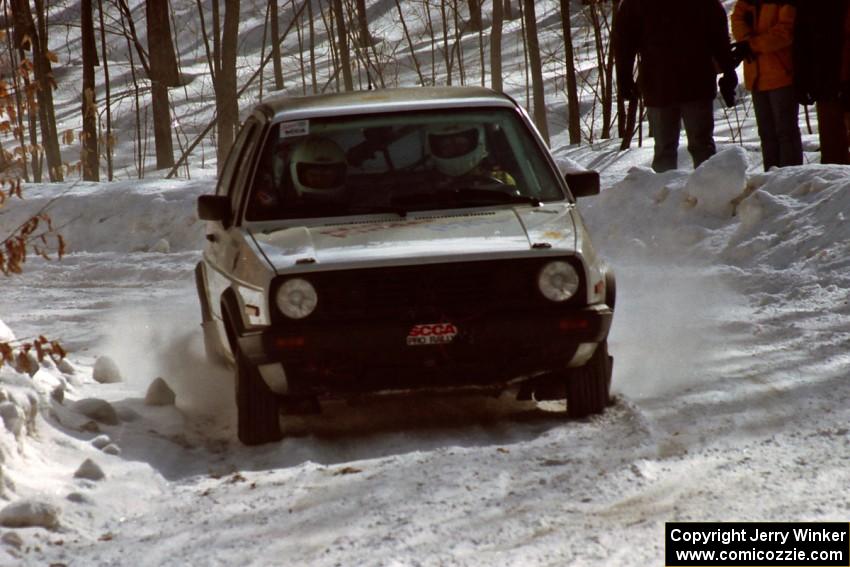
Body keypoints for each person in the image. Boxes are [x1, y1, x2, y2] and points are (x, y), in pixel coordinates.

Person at [614, 0, 738, 172]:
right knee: (686, 147)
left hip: (679, 83)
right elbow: (624, 40)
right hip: (673, 83)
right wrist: (624, 77)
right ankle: (686, 194)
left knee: (686, 148)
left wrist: (728, 70)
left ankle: (704, 194)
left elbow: (718, 34)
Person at [731, 0, 803, 171]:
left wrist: (751, 45)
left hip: (782, 75)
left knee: (786, 133)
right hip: (756, 76)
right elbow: (737, 18)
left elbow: (785, 32)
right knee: (766, 135)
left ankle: (789, 177)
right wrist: (748, 40)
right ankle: (770, 178)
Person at [794, 0, 850, 165]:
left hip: (835, 80)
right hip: (826, 83)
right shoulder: (810, 5)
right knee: (832, 152)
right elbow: (802, 40)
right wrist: (801, 79)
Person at [426, 124, 516, 186]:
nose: (455, 149)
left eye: (461, 145)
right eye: (447, 146)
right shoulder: (427, 185)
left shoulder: (502, 179)